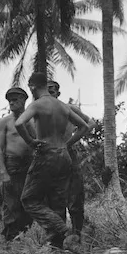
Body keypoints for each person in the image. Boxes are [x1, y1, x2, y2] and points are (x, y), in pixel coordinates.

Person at [16, 72, 89, 248]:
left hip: (46, 154)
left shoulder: (38, 104)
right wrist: (66, 143)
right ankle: (59, 246)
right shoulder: (62, 106)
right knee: (58, 201)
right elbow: (84, 126)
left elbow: (19, 123)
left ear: (32, 86)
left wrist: (31, 142)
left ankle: (61, 229)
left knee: (29, 199)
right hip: (63, 155)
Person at [48, 80, 91, 238]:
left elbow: (89, 123)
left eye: (52, 91)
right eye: (45, 91)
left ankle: (77, 235)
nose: (49, 94)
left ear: (58, 93)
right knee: (54, 199)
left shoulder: (68, 109)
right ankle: (59, 237)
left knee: (75, 198)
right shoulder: (39, 112)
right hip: (50, 157)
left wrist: (69, 143)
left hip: (68, 155)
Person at [0, 88, 35, 241]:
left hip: (30, 166)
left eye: (15, 99)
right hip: (12, 165)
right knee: (11, 204)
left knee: (28, 203)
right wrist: (3, 171)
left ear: (24, 100)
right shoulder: (5, 122)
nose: (11, 102)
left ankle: (24, 237)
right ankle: (10, 239)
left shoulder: (32, 120)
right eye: (9, 99)